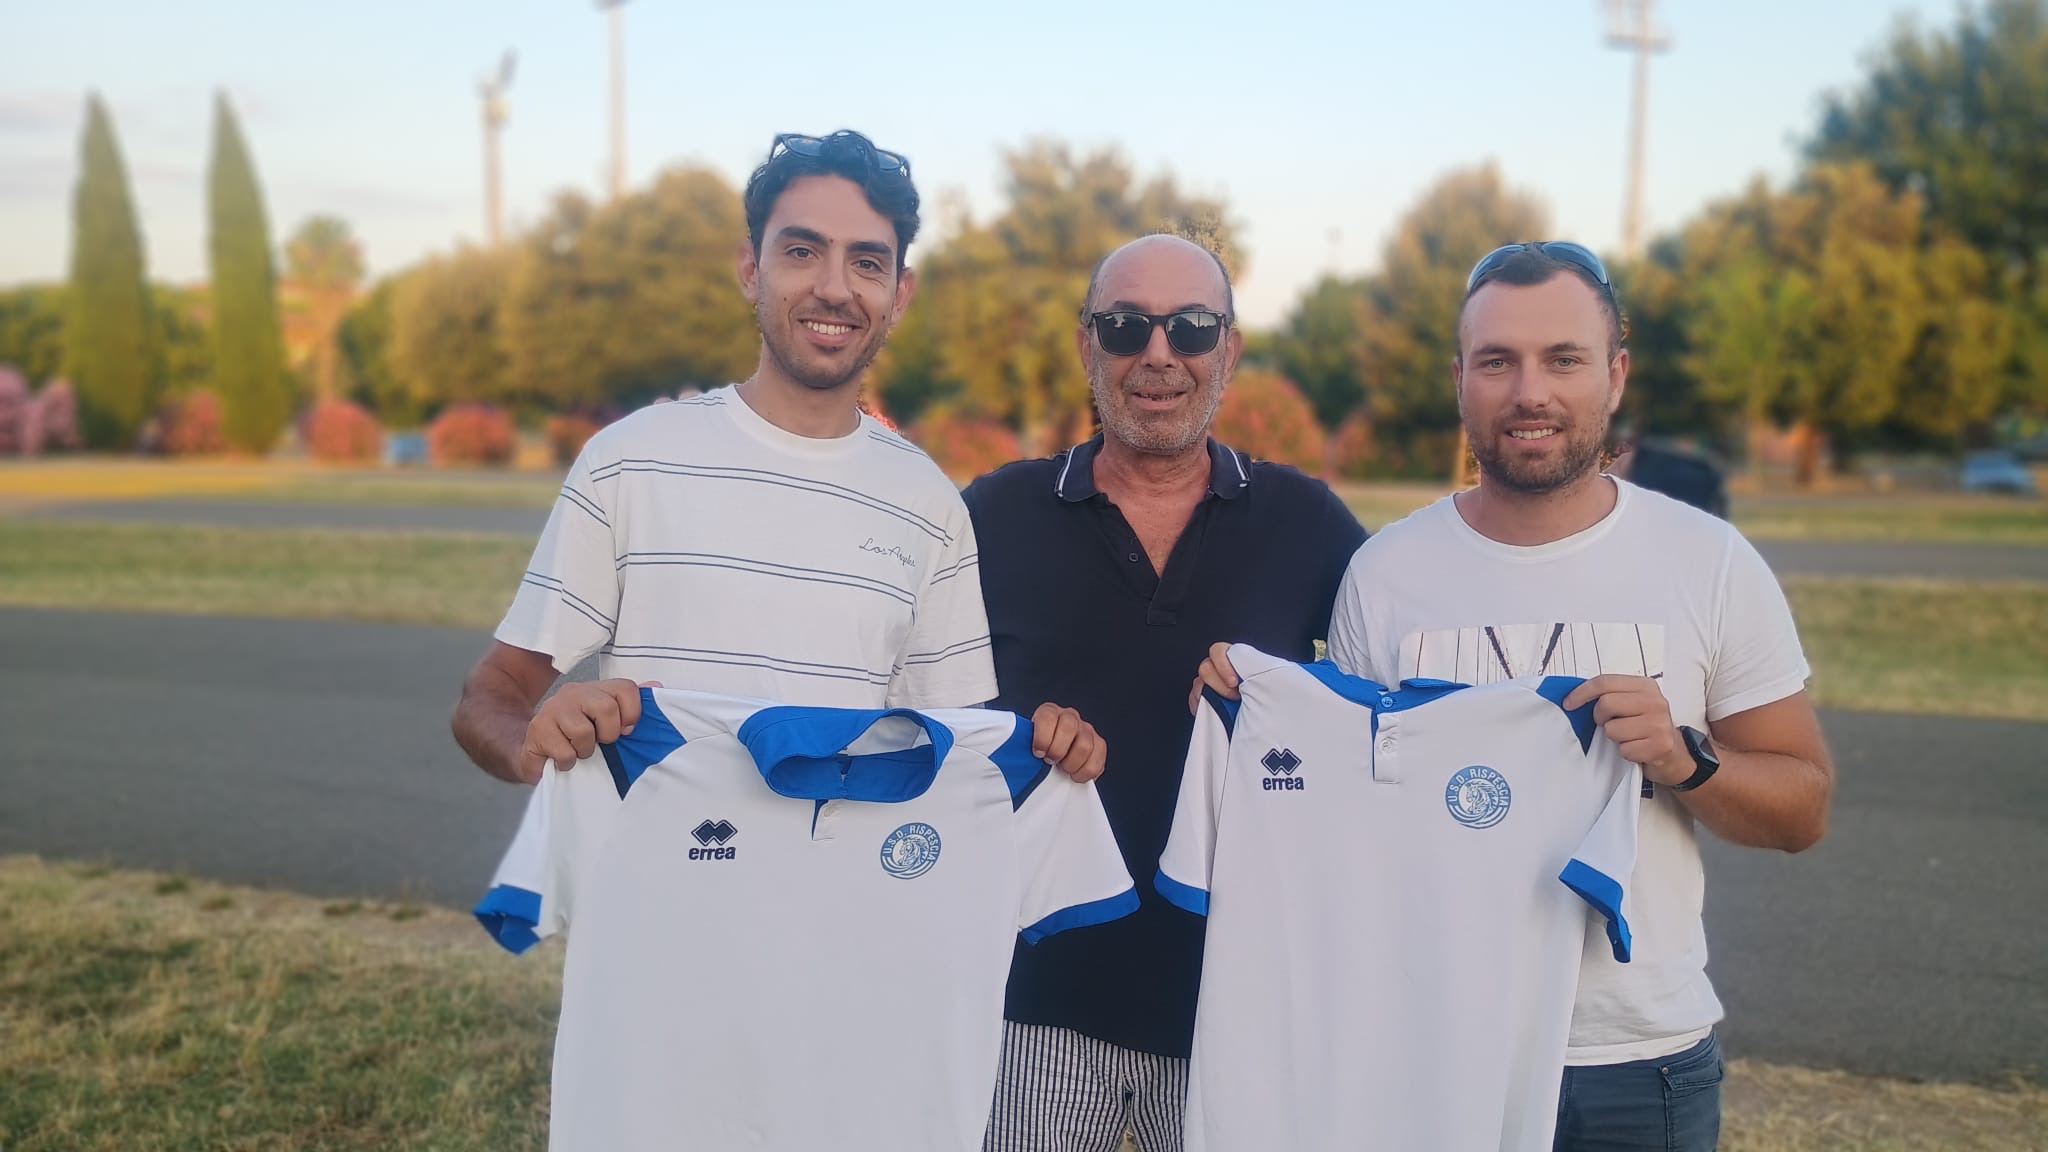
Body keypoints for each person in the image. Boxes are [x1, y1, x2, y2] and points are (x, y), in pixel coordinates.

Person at [1196, 241, 1832, 1151]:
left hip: (1633, 1062)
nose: (1530, 392)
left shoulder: (1709, 562)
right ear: (1460, 380)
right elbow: (1347, 824)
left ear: (1614, 375)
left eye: (1563, 359)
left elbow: (1802, 810)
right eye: (1497, 362)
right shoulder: (1387, 572)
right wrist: (1246, 714)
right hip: (1431, 1039)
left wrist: (1684, 759)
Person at [451, 129, 1103, 789]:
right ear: (750, 269)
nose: (834, 288)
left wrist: (1049, 749)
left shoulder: (930, 505)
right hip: (651, 860)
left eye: (867, 262)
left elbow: (954, 749)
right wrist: (531, 747)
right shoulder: (628, 462)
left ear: (900, 295)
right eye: (801, 251)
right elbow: (494, 690)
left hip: (845, 860)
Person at [964, 233, 1368, 1151]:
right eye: (1125, 327)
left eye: (1190, 328)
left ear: (1230, 349)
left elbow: (1384, 725)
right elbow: (924, 712)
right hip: (1029, 1003)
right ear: (1086, 344)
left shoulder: (1307, 523)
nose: (1157, 354)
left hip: (1242, 1007)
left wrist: (1292, 701)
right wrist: (1016, 734)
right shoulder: (992, 515)